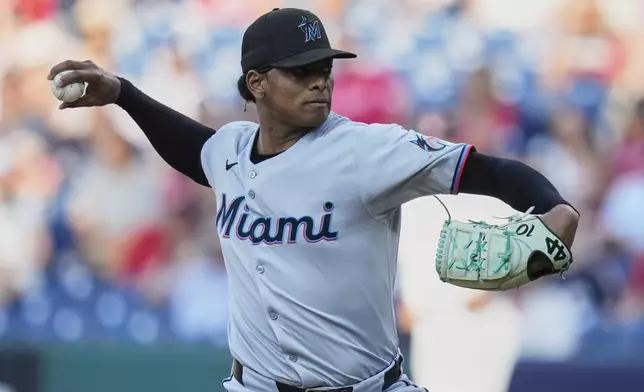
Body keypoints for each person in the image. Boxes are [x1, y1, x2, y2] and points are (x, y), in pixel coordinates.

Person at [47, 7, 579, 392]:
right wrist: (122, 94)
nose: (319, 81)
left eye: (324, 68)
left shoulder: (368, 150)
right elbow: (194, 149)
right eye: (300, 71)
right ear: (256, 83)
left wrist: (558, 210)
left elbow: (489, 169)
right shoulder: (230, 149)